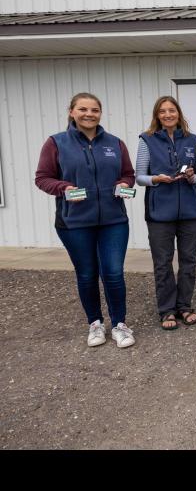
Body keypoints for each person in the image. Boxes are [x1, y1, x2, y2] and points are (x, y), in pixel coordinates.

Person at [35, 93, 137, 348]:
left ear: (100, 113)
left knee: (113, 273)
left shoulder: (115, 143)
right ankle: (95, 323)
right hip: (74, 224)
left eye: (94, 110)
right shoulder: (56, 143)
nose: (89, 114)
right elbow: (42, 178)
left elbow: (128, 174)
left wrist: (124, 183)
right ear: (72, 112)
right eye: (83, 109)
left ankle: (120, 325)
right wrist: (63, 188)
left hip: (114, 221)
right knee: (87, 274)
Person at [136, 96, 196, 330]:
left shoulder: (193, 140)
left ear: (179, 113)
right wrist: (155, 179)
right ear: (157, 115)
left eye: (172, 110)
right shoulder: (146, 140)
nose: (168, 115)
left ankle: (184, 306)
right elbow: (139, 176)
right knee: (163, 263)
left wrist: (192, 177)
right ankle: (166, 310)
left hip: (190, 210)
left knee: (189, 261)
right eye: (163, 111)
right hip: (159, 212)